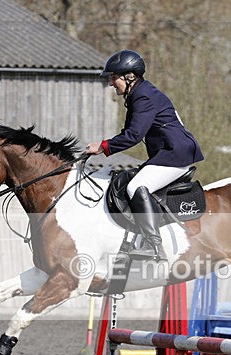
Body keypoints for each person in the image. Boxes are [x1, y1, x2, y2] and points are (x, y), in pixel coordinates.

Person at [86, 50, 204, 261]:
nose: (111, 83)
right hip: (169, 154)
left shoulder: (143, 96)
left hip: (175, 156)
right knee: (125, 181)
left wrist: (103, 147)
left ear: (129, 76)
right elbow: (128, 133)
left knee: (136, 187)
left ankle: (153, 246)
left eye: (114, 77)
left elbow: (133, 136)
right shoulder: (138, 94)